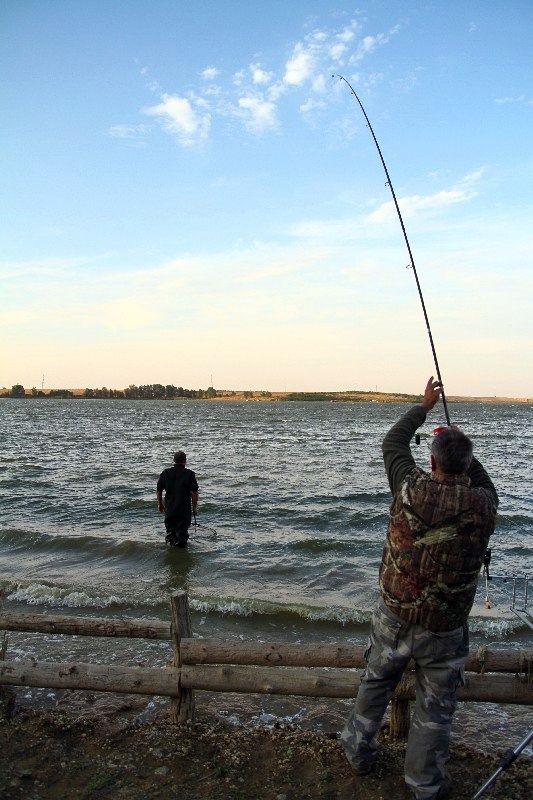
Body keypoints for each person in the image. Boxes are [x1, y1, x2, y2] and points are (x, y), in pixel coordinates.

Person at [341, 377, 498, 800]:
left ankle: (358, 753)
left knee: (376, 681)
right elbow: (481, 479)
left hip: (395, 614)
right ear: (467, 465)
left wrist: (424, 408)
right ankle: (423, 784)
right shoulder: (484, 504)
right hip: (445, 627)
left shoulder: (409, 487)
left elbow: (393, 443)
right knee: (435, 708)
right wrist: (461, 447)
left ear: (431, 461)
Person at [156, 451, 199, 547]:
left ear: (174, 461)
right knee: (182, 534)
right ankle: (180, 552)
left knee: (170, 533)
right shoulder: (190, 474)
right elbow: (194, 493)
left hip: (170, 508)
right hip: (184, 510)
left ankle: (171, 552)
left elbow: (159, 490)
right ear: (185, 461)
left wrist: (160, 504)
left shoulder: (165, 473)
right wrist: (194, 507)